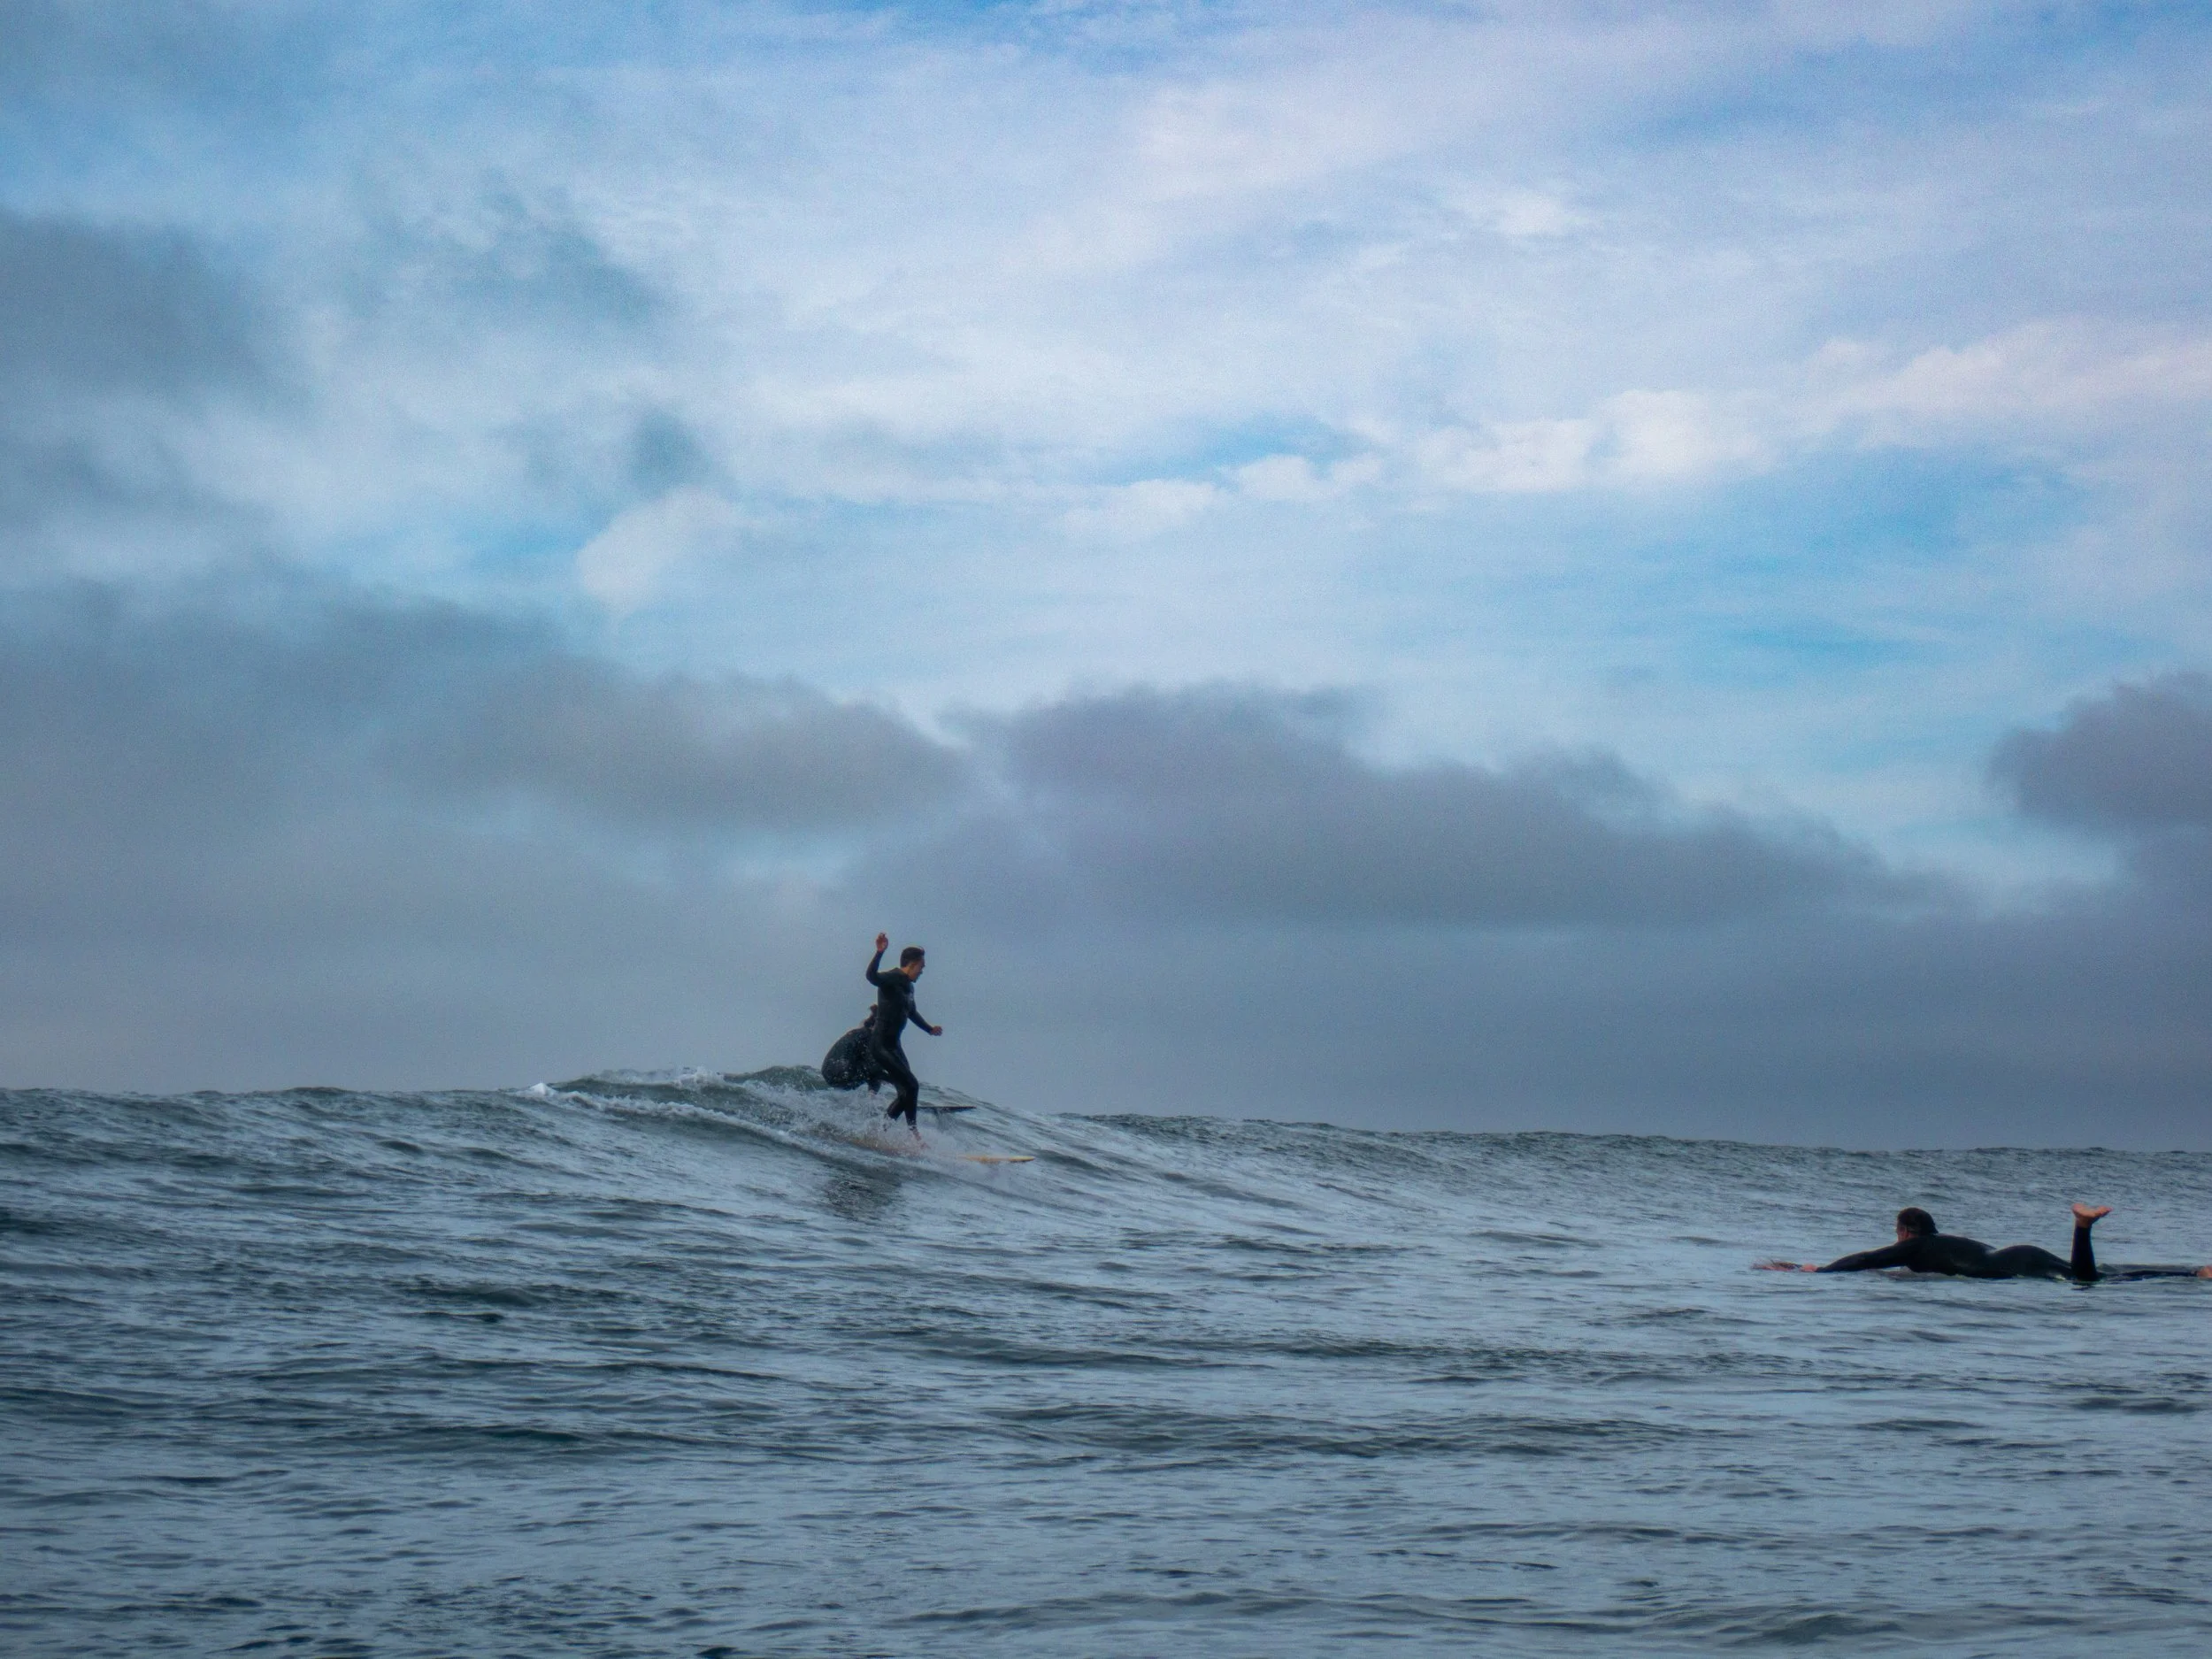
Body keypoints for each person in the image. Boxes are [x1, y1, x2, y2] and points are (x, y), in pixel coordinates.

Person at [1758, 1202, 2212, 1281]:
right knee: (2095, 1278)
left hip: (2011, 1268)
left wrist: (1814, 1270)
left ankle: (2083, 1227)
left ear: (1903, 1232)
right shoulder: (1945, 1240)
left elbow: (1867, 1259)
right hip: (2018, 1252)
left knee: (2085, 1283)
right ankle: (2193, 1271)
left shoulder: (1913, 1248)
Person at [864, 931, 941, 1133]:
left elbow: (912, 1012)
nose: (922, 971)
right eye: (921, 967)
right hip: (880, 1045)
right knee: (912, 1086)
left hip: (894, 1046)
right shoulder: (893, 978)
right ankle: (913, 1134)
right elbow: (871, 977)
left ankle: (881, 1131)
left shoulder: (909, 987)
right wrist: (879, 953)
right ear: (912, 964)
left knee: (905, 1092)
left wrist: (929, 1029)